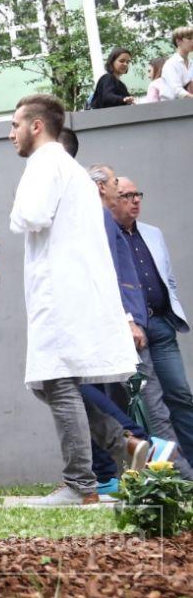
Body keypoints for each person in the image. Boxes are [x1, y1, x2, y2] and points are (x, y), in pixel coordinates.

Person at [8, 93, 144, 507]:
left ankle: (80, 485)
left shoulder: (45, 162)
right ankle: (127, 448)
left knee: (56, 381)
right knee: (51, 384)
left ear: (36, 126)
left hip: (59, 292)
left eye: (15, 124)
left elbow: (29, 216)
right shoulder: (72, 170)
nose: (10, 133)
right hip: (75, 290)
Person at [88, 166, 193, 481]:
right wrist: (129, 321)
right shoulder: (107, 233)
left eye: (137, 195)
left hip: (160, 325)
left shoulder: (152, 233)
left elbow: (167, 279)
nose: (134, 201)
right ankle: (172, 472)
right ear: (111, 198)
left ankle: (184, 463)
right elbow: (114, 280)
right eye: (126, 195)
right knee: (143, 402)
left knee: (180, 396)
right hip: (130, 329)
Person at [156, 26, 193, 101]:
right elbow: (177, 91)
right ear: (178, 41)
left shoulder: (191, 63)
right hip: (172, 109)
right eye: (189, 38)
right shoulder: (171, 64)